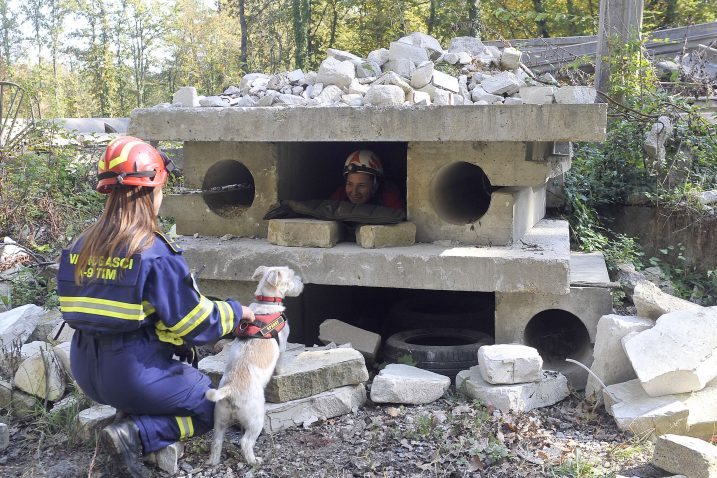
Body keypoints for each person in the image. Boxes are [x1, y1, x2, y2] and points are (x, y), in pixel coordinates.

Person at [56, 136, 255, 478]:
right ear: (151, 191)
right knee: (218, 408)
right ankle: (136, 434)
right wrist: (238, 313)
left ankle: (132, 413)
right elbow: (195, 324)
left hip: (86, 370)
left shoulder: (81, 245)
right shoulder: (153, 250)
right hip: (134, 374)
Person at [330, 149, 405, 210]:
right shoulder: (340, 195)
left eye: (361, 185)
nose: (354, 192)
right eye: (349, 184)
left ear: (375, 185)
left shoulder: (389, 197)